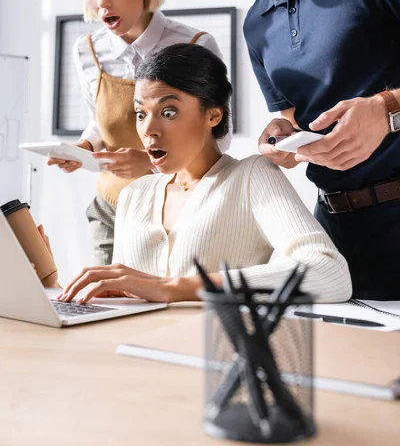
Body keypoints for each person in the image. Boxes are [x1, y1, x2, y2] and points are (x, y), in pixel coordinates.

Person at [194, 0, 400, 300]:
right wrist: (284, 139)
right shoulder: (256, 26)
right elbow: (297, 124)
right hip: (332, 239)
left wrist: (387, 110)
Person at [55, 44, 351, 305]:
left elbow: (330, 273)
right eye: (140, 114)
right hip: (132, 356)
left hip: (213, 356)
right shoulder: (134, 193)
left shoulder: (250, 177)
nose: (148, 129)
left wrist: (175, 288)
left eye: (168, 112)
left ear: (213, 114)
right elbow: (123, 296)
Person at [48, 0, 229, 266]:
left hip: (176, 211)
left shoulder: (194, 46)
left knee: (167, 314)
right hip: (110, 209)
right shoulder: (87, 50)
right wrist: (84, 149)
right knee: (103, 310)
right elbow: (100, 124)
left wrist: (149, 163)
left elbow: (220, 140)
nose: (102, 3)